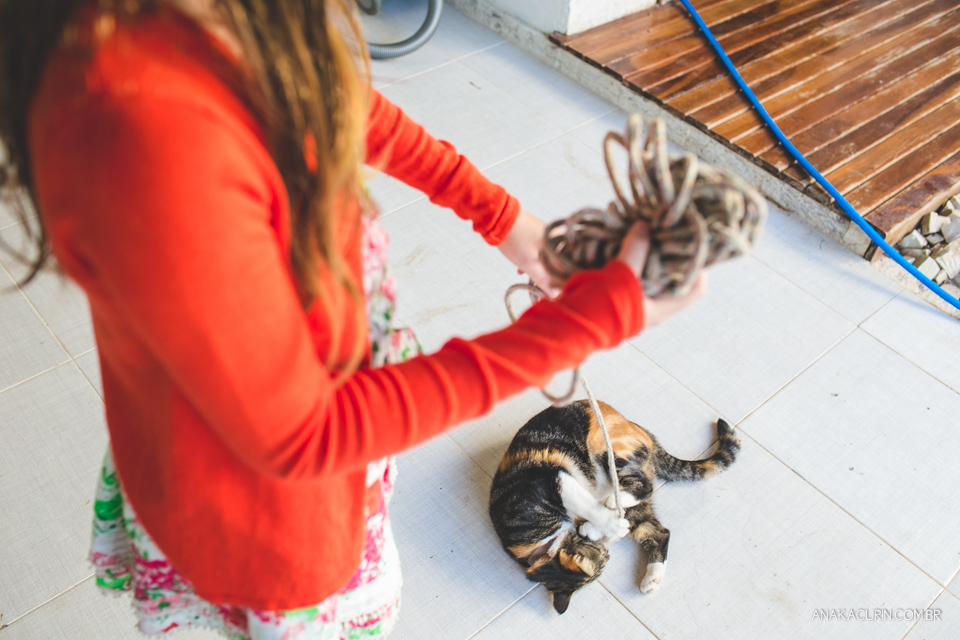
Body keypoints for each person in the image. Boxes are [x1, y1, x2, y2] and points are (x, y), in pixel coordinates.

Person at [0, 0, 707, 638]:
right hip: (265, 517)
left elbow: (327, 100)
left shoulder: (221, 23)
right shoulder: (145, 135)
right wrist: (584, 324)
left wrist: (505, 219)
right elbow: (304, 434)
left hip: (310, 446)